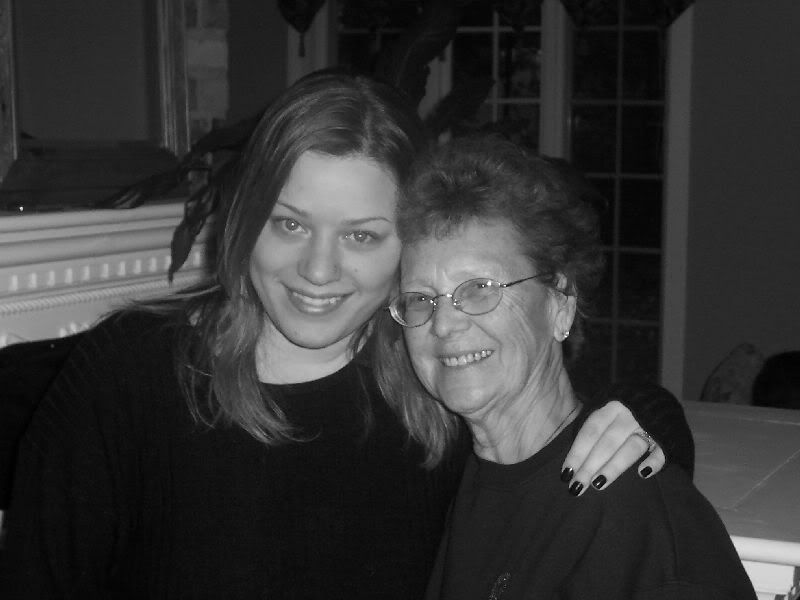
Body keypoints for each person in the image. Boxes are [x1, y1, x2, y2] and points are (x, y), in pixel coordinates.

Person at [1, 70, 691, 599]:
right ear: (246, 219)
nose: (318, 269)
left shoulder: (437, 375)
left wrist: (644, 424)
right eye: (290, 224)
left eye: (361, 236)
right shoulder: (132, 372)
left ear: (408, 248)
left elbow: (579, 416)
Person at [378, 134, 756, 599]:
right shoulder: (461, 483)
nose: (443, 324)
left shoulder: (632, 519)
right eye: (420, 298)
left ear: (560, 303)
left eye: (479, 288)